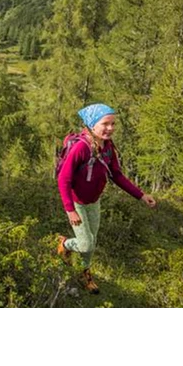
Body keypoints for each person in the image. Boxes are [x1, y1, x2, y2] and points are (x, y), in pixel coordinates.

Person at [57, 103, 156, 294]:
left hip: (94, 202)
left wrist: (141, 195)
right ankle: (64, 244)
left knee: (91, 243)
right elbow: (64, 179)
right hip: (77, 203)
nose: (110, 128)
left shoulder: (108, 148)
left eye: (113, 124)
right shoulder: (81, 148)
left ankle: (84, 272)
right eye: (105, 124)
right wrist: (69, 209)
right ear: (92, 125)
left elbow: (116, 176)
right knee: (85, 243)